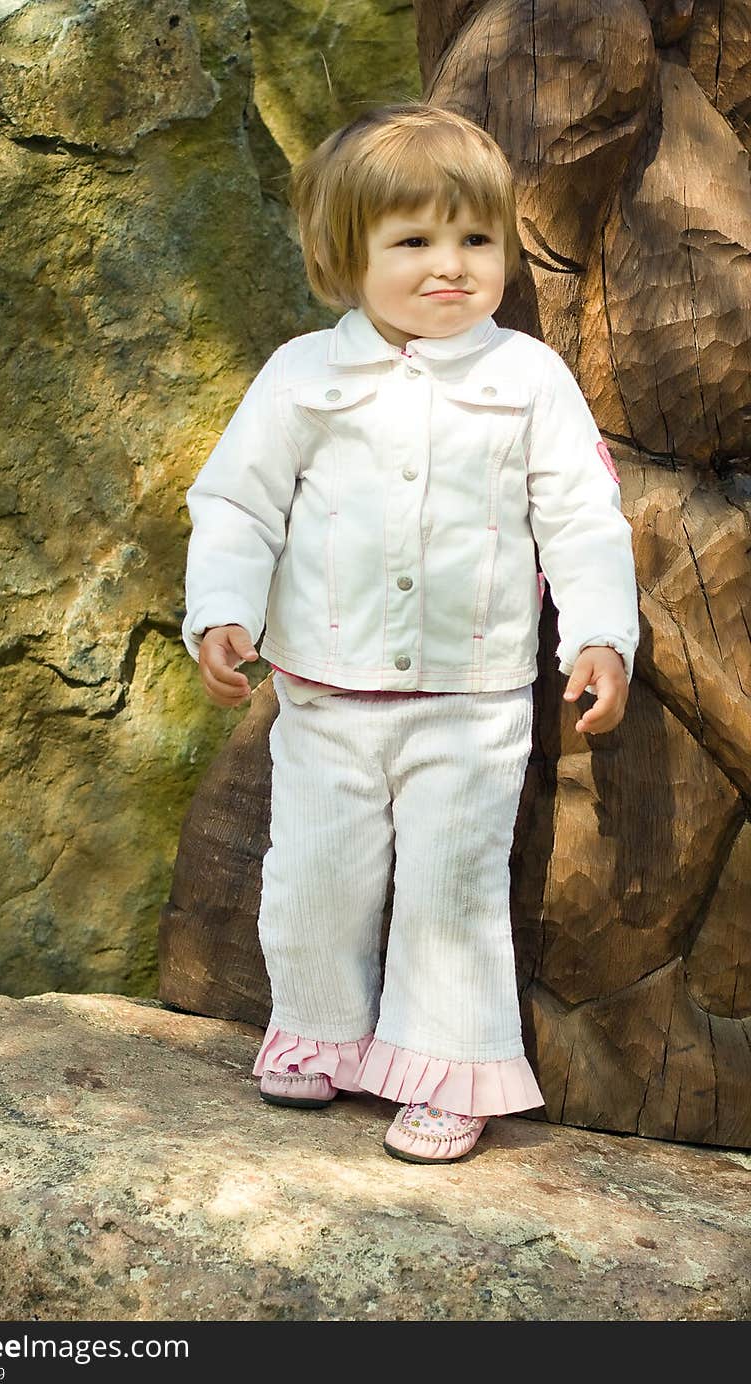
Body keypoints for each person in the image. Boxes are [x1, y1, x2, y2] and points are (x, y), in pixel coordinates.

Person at [180, 103, 639, 1164]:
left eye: (475, 240)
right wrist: (222, 611)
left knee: (450, 886)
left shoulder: (525, 380)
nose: (451, 266)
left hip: (470, 698)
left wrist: (599, 636)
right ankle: (318, 1028)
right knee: (315, 873)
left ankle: (443, 1065)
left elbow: (579, 513)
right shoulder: (302, 375)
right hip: (325, 693)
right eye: (414, 242)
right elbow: (238, 504)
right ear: (347, 256)